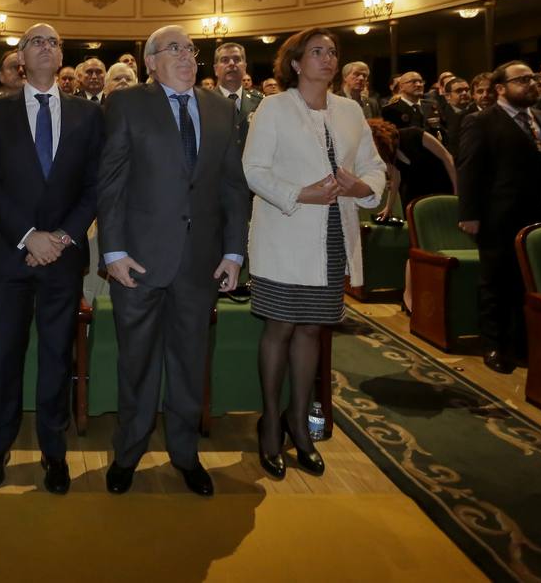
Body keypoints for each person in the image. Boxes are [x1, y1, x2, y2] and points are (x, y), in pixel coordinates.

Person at [98, 26, 249, 497]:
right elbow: (112, 181)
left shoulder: (221, 109)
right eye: (174, 50)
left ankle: (185, 455)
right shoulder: (126, 104)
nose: (186, 57)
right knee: (137, 364)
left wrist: (233, 252)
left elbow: (231, 186)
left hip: (200, 262)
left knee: (188, 362)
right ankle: (129, 454)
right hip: (137, 261)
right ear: (151, 62)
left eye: (191, 50)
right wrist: (113, 252)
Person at [244, 29, 384, 480]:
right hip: (285, 233)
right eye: (317, 52)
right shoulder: (274, 107)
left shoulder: (349, 110)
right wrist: (298, 193)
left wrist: (362, 188)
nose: (327, 58)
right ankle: (269, 424)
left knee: (311, 332)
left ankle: (298, 424)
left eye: (332, 52)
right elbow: (254, 169)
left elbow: (374, 167)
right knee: (280, 328)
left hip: (331, 237)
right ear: (297, 63)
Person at [0, 24, 103, 494]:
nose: (46, 47)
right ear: (21, 58)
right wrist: (29, 237)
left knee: (54, 356)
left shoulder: (88, 115)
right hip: (11, 256)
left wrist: (61, 238)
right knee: (4, 355)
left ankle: (54, 449)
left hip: (63, 260)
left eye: (54, 42)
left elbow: (94, 187)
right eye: (35, 41)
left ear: (61, 55)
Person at [456, 62, 541, 374]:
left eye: (533, 78)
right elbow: (469, 169)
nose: (531, 84)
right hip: (498, 215)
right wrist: (469, 214)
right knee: (496, 282)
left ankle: (521, 343)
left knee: (528, 281)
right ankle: (493, 343)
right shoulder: (481, 121)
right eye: (522, 80)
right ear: (500, 88)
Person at [212, 42, 255, 153]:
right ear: (216, 69)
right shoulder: (203, 103)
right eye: (225, 60)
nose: (232, 64)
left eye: (237, 59)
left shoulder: (259, 102)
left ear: (244, 67)